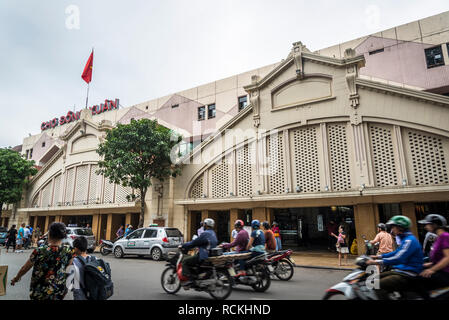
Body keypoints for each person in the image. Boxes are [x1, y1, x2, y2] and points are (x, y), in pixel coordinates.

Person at [10, 222, 74, 300]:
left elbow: (25, 268)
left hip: (40, 291)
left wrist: (16, 278)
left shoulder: (40, 250)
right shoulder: (69, 251)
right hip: (59, 290)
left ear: (49, 234)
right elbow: (70, 270)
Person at [365, 215, 424, 299]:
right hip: (399, 269)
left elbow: (399, 258)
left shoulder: (409, 240)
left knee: (376, 284)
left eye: (394, 227)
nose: (392, 230)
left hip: (407, 273)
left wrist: (375, 261)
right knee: (373, 279)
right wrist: (378, 256)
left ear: (400, 228)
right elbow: (396, 252)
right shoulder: (401, 238)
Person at [181, 218, 217, 284]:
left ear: (206, 225)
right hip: (210, 254)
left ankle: (190, 280)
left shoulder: (205, 233)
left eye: (204, 224)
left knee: (185, 261)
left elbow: (194, 242)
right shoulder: (213, 233)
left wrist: (184, 245)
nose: (203, 225)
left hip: (204, 255)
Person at [418, 214, 449, 290]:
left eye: (427, 225)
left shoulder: (445, 236)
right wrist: (427, 264)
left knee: (418, 280)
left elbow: (447, 257)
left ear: (434, 225)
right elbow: (439, 258)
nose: (425, 227)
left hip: (445, 273)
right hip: (440, 270)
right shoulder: (438, 237)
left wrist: (431, 269)